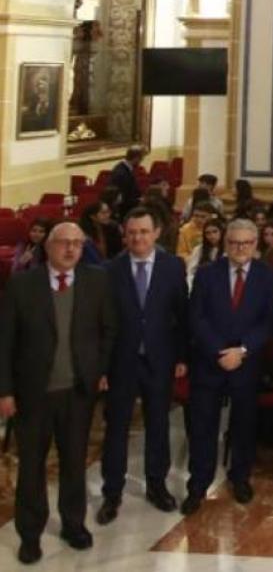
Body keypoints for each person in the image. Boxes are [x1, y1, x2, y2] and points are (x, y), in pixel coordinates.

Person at [0, 221, 116, 565]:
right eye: (64, 242)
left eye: (77, 244)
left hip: (78, 392)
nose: (70, 250)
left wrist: (100, 370)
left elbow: (108, 330)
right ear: (48, 247)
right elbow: (5, 343)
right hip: (33, 393)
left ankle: (73, 524)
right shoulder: (22, 285)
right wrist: (4, 390)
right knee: (32, 466)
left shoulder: (97, 281)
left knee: (73, 463)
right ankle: (30, 535)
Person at [181, 219, 273, 515]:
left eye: (246, 243)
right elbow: (196, 318)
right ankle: (197, 485)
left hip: (246, 365)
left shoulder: (268, 277)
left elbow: (268, 322)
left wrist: (243, 350)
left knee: (244, 426)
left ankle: (240, 478)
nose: (240, 248)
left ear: (255, 245)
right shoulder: (206, 274)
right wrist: (218, 351)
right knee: (202, 428)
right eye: (234, 243)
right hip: (209, 364)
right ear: (225, 244)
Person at [98, 208, 188, 525]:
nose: (138, 237)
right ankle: (112, 492)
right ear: (125, 234)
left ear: (156, 233)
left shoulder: (173, 267)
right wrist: (102, 369)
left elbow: (182, 316)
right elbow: (102, 323)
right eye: (132, 232)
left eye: (144, 232)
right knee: (116, 429)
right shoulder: (110, 270)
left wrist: (180, 357)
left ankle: (156, 485)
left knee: (158, 426)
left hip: (160, 361)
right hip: (121, 363)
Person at [107, 144, 144, 217]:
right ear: (136, 158)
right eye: (141, 159)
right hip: (124, 211)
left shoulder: (121, 168)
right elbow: (124, 197)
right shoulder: (122, 173)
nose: (140, 162)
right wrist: (139, 200)